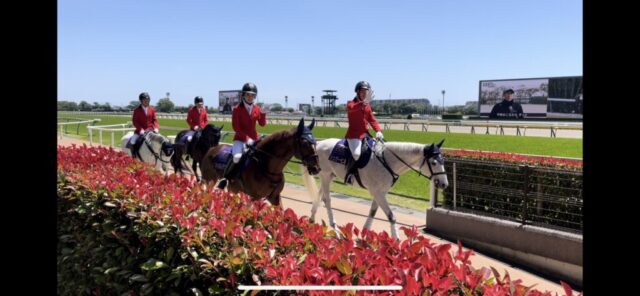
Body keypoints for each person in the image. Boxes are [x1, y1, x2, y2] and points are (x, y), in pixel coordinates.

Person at [217, 82, 268, 189]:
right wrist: (246, 138)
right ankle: (226, 178)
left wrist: (263, 113)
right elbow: (236, 127)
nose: (250, 97)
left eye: (252, 95)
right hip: (240, 139)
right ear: (243, 95)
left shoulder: (257, 108)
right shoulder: (236, 109)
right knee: (236, 157)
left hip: (254, 139)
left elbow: (262, 124)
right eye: (248, 95)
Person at [344, 81, 383, 184]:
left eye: (366, 91)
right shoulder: (350, 104)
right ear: (357, 92)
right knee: (356, 154)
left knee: (379, 150)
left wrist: (378, 131)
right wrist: (363, 103)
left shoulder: (367, 106)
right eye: (362, 91)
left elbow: (372, 119)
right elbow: (353, 109)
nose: (364, 93)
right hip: (354, 136)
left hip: (366, 134)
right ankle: (350, 174)